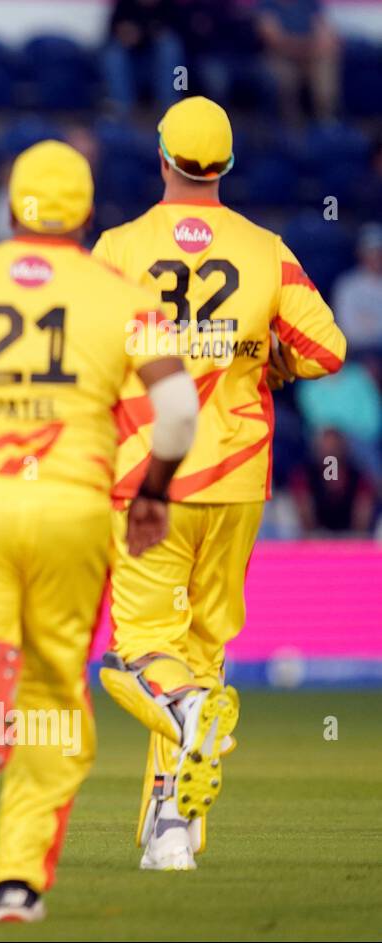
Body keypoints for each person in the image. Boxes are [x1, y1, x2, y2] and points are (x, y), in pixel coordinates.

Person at [0, 140, 196, 923]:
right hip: (74, 509)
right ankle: (17, 882)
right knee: (57, 703)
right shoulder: (120, 292)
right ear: (87, 212)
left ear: (12, 204)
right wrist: (152, 493)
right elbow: (180, 410)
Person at [92, 97, 347, 871]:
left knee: (142, 651)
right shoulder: (266, 250)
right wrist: (269, 357)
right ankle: (172, 834)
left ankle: (194, 718)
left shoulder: (119, 247)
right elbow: (327, 348)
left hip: (149, 475)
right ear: (226, 166)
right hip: (237, 479)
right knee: (202, 653)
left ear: (162, 159)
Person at [255, 0, 340, 123]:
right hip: (279, 57)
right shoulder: (267, 4)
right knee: (283, 76)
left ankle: (327, 122)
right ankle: (291, 127)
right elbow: (273, 39)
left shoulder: (310, 3)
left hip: (310, 55)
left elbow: (325, 34)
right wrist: (304, 47)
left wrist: (314, 49)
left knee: (324, 67)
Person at [333, 223, 382, 378]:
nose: (375, 258)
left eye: (378, 252)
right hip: (359, 352)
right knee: (369, 368)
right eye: (370, 252)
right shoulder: (348, 285)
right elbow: (349, 329)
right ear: (361, 254)